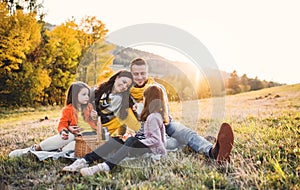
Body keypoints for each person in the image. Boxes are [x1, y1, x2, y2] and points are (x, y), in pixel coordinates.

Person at [129, 58, 234, 164]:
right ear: (131, 74)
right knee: (174, 143)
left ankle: (213, 151)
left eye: (142, 73)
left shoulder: (158, 88)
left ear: (147, 72)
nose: (139, 77)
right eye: (136, 74)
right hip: (147, 129)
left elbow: (165, 114)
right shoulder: (129, 95)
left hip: (165, 123)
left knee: (186, 133)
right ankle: (199, 142)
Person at [63, 85, 168, 176]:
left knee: (131, 140)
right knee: (116, 140)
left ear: (149, 99)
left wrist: (134, 141)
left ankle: (106, 166)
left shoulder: (154, 117)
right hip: (141, 146)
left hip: (151, 150)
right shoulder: (149, 116)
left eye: (144, 98)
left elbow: (156, 140)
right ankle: (84, 160)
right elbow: (144, 135)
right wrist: (132, 138)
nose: (142, 100)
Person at [9, 81, 98, 157]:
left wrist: (94, 118)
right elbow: (63, 124)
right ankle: (35, 149)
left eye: (88, 94)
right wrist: (65, 130)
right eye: (84, 94)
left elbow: (94, 125)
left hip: (81, 139)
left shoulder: (89, 107)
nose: (87, 97)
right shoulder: (68, 109)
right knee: (67, 137)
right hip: (70, 135)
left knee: (70, 149)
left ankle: (55, 152)